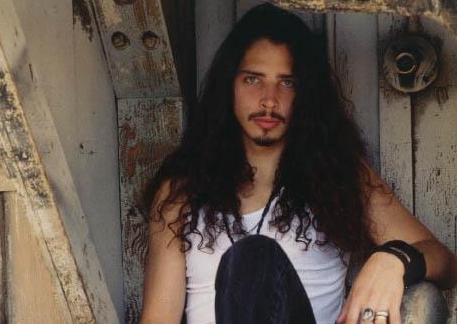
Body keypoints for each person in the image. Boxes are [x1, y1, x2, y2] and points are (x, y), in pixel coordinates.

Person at [139, 3, 457, 324]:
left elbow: (443, 261)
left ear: (306, 94)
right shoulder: (182, 193)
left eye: (287, 82)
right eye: (253, 79)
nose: (269, 99)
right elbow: (158, 319)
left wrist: (394, 259)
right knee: (253, 260)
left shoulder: (339, 177)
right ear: (229, 87)